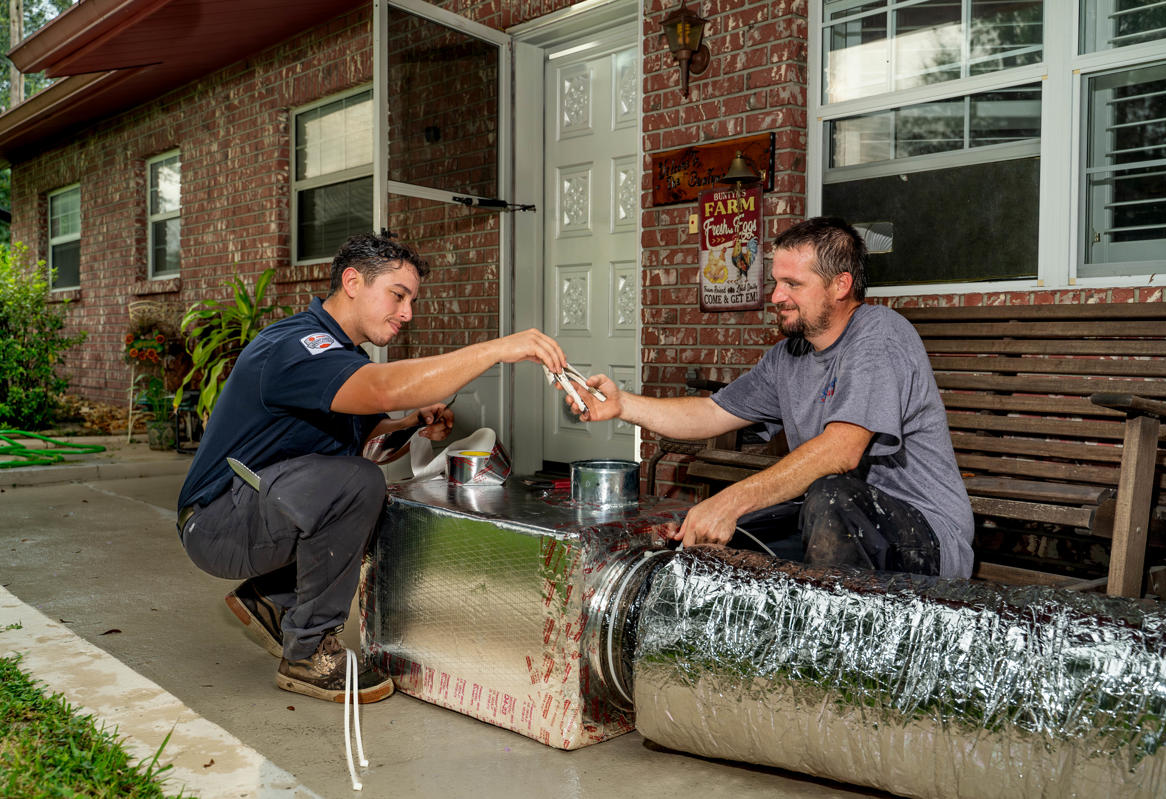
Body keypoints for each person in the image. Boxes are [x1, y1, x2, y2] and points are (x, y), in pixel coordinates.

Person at [176, 231, 567, 703]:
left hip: (252, 510)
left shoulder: (344, 357)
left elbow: (364, 449)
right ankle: (308, 655)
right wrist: (495, 350)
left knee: (361, 481)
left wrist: (408, 425)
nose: (407, 313)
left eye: (411, 301)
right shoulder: (297, 346)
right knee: (359, 485)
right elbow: (378, 398)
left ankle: (274, 600)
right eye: (398, 296)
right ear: (353, 281)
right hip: (216, 521)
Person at [566, 216, 974, 579]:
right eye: (776, 282)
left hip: (926, 535)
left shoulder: (879, 336)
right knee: (712, 536)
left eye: (793, 284)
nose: (777, 296)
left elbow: (841, 451)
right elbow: (712, 412)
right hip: (831, 522)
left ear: (840, 285)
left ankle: (834, 657)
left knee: (827, 495)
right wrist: (623, 405)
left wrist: (731, 499)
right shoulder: (789, 356)